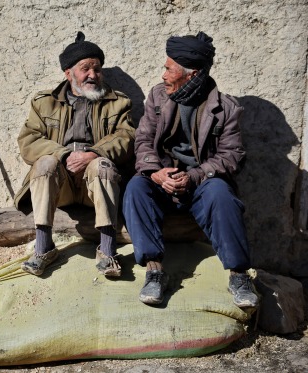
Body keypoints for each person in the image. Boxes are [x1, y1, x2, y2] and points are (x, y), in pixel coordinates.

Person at [122, 31, 259, 308]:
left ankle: (239, 276)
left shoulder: (226, 107)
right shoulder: (158, 97)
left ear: (192, 74)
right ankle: (154, 271)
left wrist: (194, 176)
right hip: (162, 181)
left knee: (222, 193)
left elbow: (231, 156)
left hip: (201, 184)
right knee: (136, 187)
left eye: (168, 69)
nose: (163, 75)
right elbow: (144, 140)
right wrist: (155, 173)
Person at [14, 31, 136, 278]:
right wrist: (62, 154)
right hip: (63, 184)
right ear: (68, 73)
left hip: (96, 185)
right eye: (85, 68)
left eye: (97, 68)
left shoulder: (118, 103)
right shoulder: (44, 102)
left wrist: (93, 153)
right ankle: (43, 248)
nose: (93, 75)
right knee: (45, 163)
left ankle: (107, 250)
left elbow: (127, 137)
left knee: (102, 165)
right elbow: (29, 142)